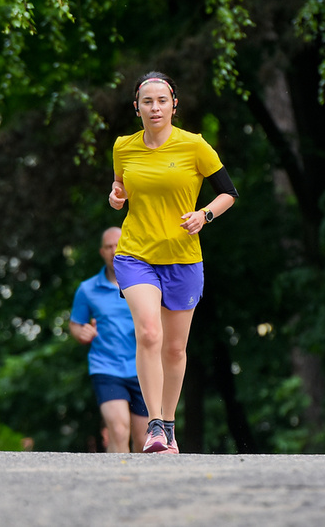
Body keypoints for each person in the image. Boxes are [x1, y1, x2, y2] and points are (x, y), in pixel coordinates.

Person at [108, 72, 238, 454]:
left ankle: (169, 423)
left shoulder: (195, 146)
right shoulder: (123, 147)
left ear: (173, 105)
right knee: (149, 333)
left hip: (183, 258)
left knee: (175, 349)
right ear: (137, 108)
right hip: (136, 254)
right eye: (147, 102)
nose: (155, 107)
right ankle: (154, 426)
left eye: (162, 101)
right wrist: (117, 198)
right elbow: (122, 188)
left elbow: (228, 193)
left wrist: (204, 216)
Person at [69, 227, 149, 453]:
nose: (114, 250)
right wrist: (80, 332)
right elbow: (76, 324)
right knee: (118, 430)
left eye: (119, 244)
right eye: (108, 247)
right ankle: (116, 484)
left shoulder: (146, 284)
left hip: (142, 368)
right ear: (101, 252)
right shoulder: (88, 289)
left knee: (144, 442)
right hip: (106, 367)